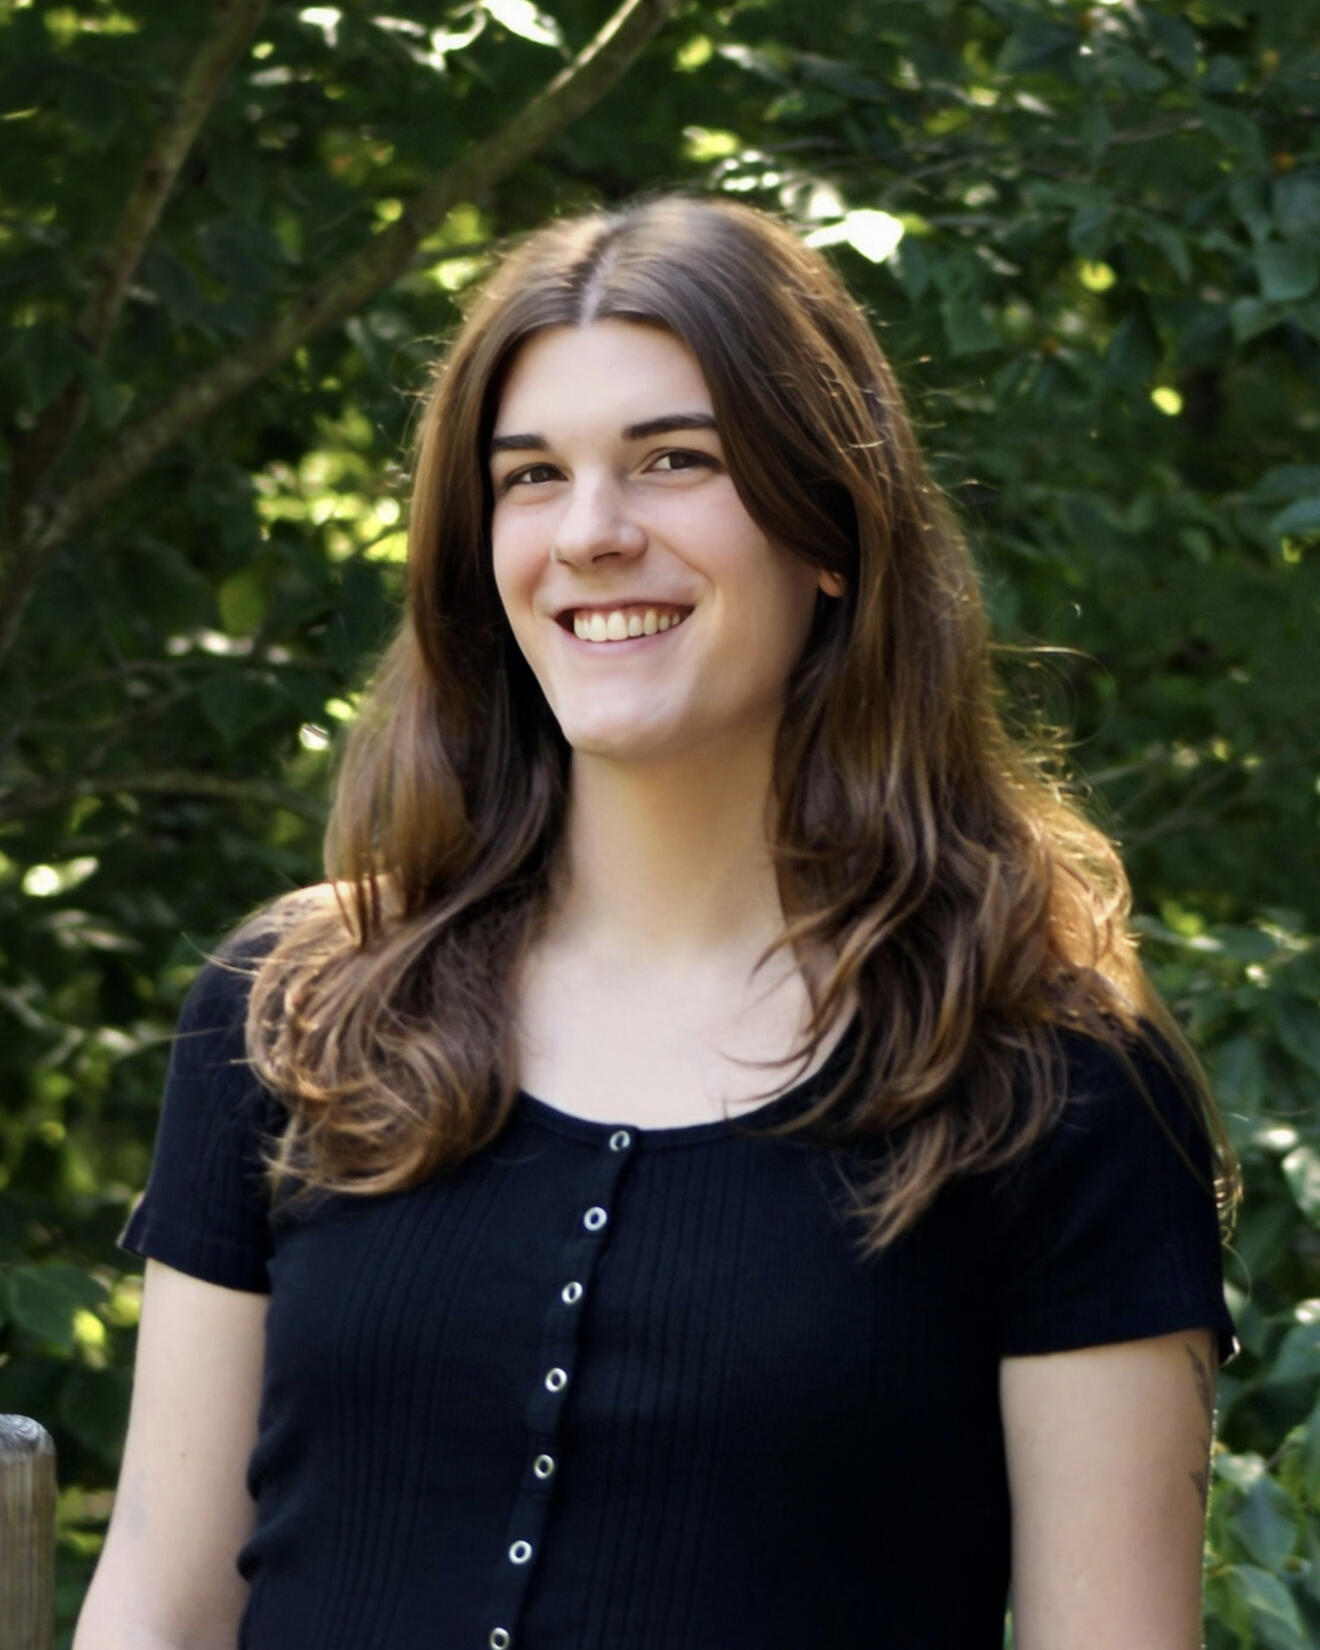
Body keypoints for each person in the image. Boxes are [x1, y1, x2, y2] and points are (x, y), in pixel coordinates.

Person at [74, 193, 1238, 1650]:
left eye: (674, 461)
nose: (592, 534)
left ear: (830, 527)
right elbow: (159, 1606)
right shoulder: (296, 1010)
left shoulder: (1047, 1079)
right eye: (531, 477)